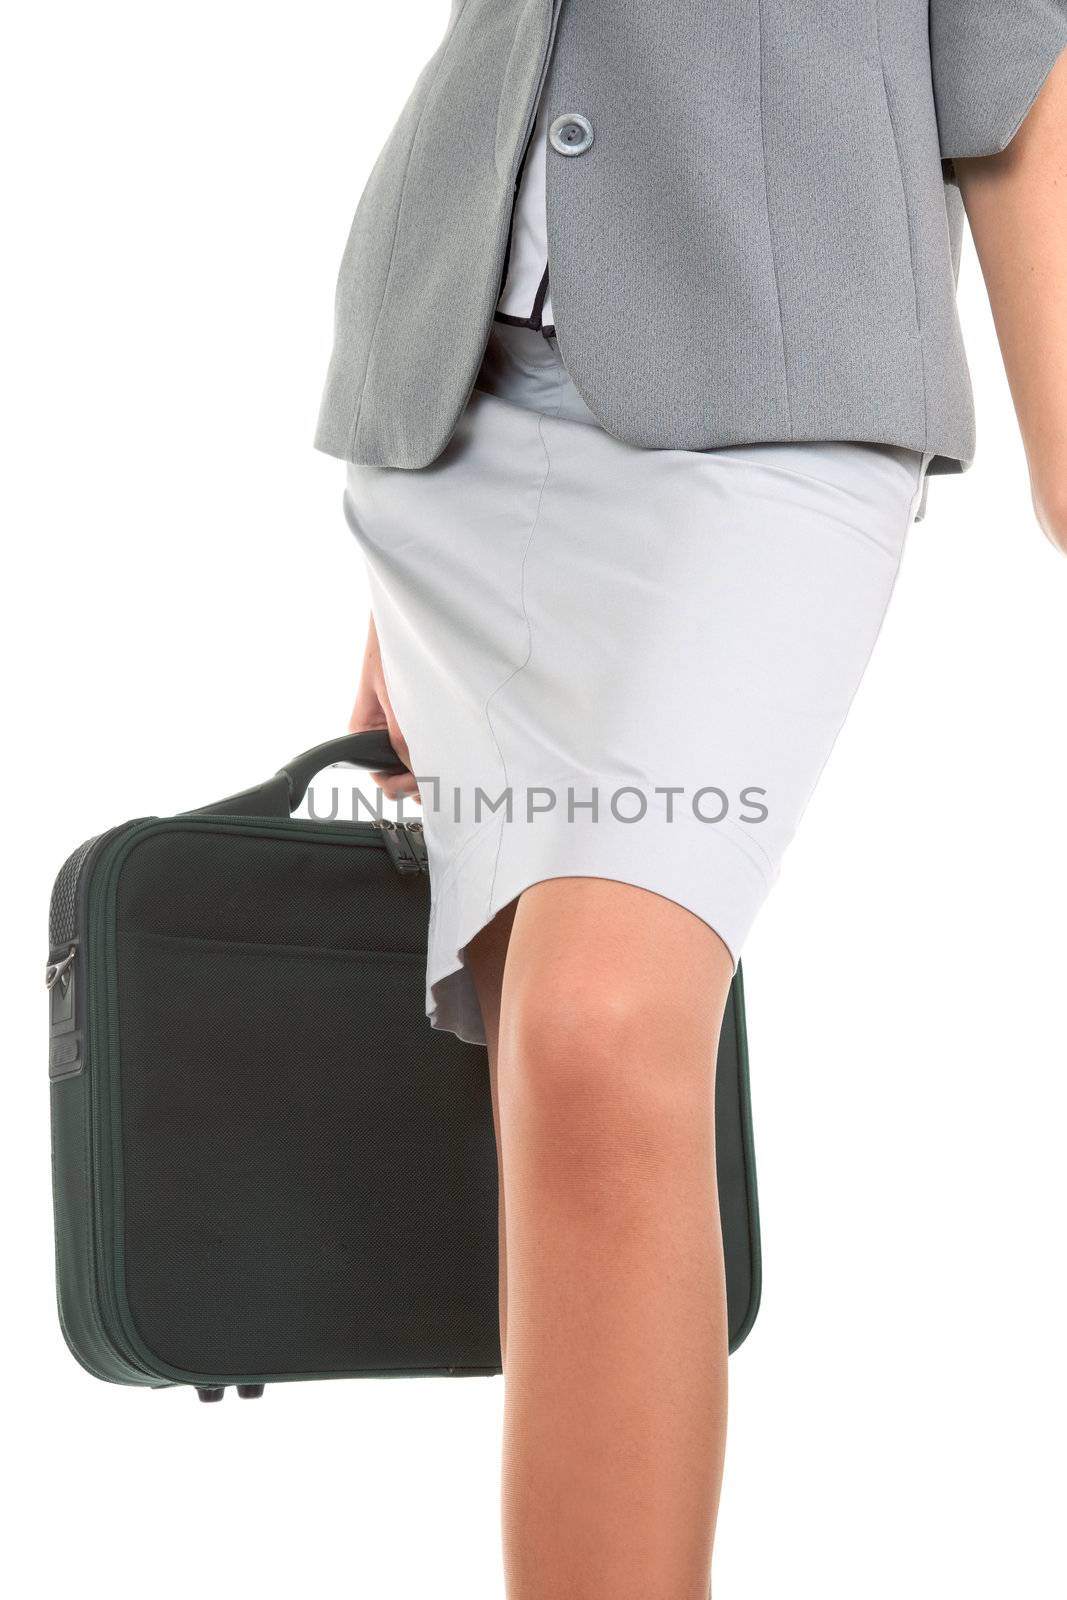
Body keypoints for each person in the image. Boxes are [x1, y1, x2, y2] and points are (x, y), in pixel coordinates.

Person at [317, 5, 1067, 1595]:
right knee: (553, 1085)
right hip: (445, 389)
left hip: (774, 377)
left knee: (597, 1029)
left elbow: (1013, 41)